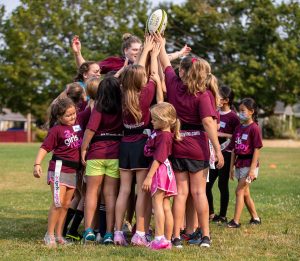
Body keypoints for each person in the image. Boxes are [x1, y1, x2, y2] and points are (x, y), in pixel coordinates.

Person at [156, 33, 224, 248]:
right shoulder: (203, 95)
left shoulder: (174, 85)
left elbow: (165, 62)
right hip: (197, 149)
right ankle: (205, 236)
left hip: (177, 145)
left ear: (183, 71)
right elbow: (208, 124)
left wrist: (160, 44)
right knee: (198, 193)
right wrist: (219, 151)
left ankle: (176, 237)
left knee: (181, 194)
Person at [113, 42, 162, 246]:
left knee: (124, 190)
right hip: (142, 143)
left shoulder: (122, 93)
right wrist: (153, 54)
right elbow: (149, 74)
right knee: (142, 191)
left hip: (124, 143)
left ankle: (117, 232)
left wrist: (143, 53)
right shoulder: (147, 91)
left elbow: (135, 72)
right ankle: (139, 233)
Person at [33, 97, 90, 247]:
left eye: (73, 113)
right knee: (57, 203)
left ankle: (59, 236)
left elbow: (90, 108)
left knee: (66, 205)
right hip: (59, 170)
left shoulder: (78, 124)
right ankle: (49, 235)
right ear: (59, 117)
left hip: (73, 172)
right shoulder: (56, 130)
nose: (72, 117)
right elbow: (45, 147)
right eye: (68, 115)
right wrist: (37, 164)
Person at [80, 76, 123, 244]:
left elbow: (90, 130)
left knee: (91, 193)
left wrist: (84, 148)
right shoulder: (122, 108)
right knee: (110, 195)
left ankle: (89, 231)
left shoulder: (98, 107)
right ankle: (109, 233)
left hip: (96, 154)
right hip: (115, 155)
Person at [142, 102, 181, 250]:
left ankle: (159, 238)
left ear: (165, 121)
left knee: (157, 204)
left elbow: (158, 158)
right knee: (165, 206)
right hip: (165, 170)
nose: (151, 121)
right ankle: (166, 239)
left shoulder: (164, 136)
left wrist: (148, 177)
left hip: (159, 171)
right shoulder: (163, 133)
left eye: (154, 119)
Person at [206, 85, 240, 224]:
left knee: (222, 185)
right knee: (206, 186)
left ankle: (223, 215)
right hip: (213, 154)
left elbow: (237, 135)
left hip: (226, 154)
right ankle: (211, 213)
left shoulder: (233, 117)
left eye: (218, 95)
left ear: (225, 100)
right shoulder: (214, 112)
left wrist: (220, 134)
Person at [227, 98, 263, 228]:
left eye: (243, 111)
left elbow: (257, 150)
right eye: (239, 110)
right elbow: (233, 150)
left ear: (251, 112)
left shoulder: (255, 128)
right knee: (245, 193)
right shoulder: (238, 128)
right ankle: (256, 218)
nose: (240, 113)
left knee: (239, 191)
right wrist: (231, 167)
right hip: (239, 164)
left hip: (249, 165)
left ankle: (235, 221)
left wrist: (252, 170)